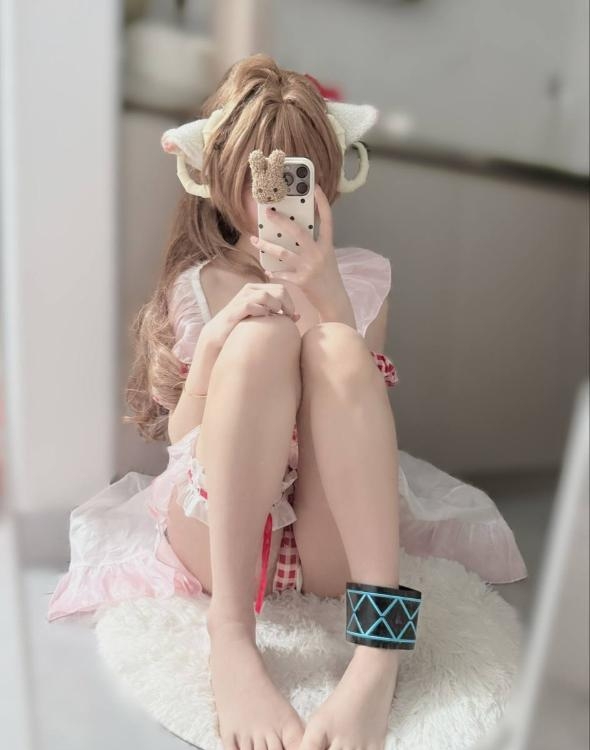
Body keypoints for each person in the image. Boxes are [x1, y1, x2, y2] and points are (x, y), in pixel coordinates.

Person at [47, 54, 528, 750]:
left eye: (292, 177)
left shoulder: (362, 278)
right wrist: (218, 340)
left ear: (325, 180)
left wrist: (325, 290)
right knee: (261, 337)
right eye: (258, 178)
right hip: (220, 531)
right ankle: (231, 635)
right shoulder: (199, 285)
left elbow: (361, 404)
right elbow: (183, 439)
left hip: (328, 532)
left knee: (336, 348)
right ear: (220, 180)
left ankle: (379, 650)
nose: (272, 198)